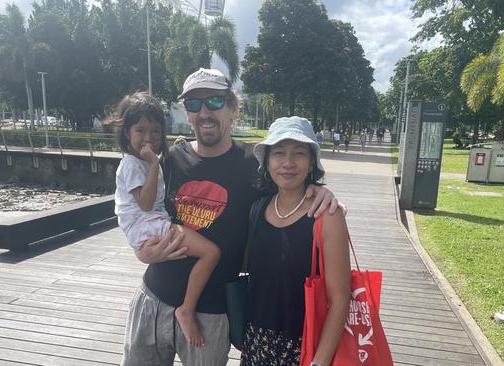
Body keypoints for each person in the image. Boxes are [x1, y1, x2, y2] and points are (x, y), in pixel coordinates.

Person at [121, 68, 341, 366]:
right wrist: (140, 251)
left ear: (233, 108)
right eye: (194, 104)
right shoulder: (172, 158)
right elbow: (141, 210)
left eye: (214, 101)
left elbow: (290, 181)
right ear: (187, 113)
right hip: (153, 299)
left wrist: (320, 190)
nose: (204, 112)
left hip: (211, 313)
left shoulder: (255, 165)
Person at [112, 92, 220, 348]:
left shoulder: (142, 161)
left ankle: (185, 308)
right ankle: (186, 309)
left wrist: (162, 156)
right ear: (127, 132)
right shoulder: (132, 164)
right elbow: (146, 203)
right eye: (140, 130)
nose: (149, 138)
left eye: (156, 131)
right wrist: (152, 164)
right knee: (211, 253)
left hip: (148, 226)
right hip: (149, 226)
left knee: (208, 253)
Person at [242, 116, 350, 365]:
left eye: (299, 153)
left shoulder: (327, 216)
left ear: (312, 161)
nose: (288, 163)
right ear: (267, 161)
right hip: (257, 343)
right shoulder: (257, 209)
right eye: (279, 153)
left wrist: (318, 362)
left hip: (306, 346)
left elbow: (340, 300)